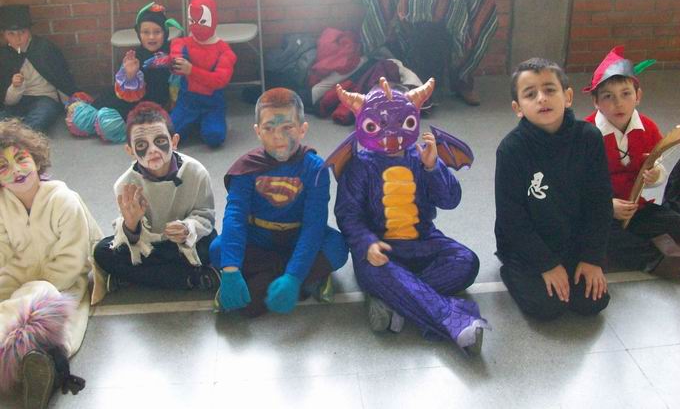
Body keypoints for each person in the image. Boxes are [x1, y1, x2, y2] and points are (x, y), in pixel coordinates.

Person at [333, 77, 487, 353]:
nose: (391, 135)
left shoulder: (422, 157)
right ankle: (453, 321)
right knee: (374, 272)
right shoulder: (359, 166)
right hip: (381, 252)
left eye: (401, 122)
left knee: (467, 262)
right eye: (379, 125)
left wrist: (433, 168)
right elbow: (348, 215)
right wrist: (367, 243)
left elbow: (450, 200)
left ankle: (394, 299)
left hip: (424, 242)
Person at [210, 88, 348, 317]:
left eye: (287, 127)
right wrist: (231, 270)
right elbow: (235, 217)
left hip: (298, 236)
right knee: (217, 250)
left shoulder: (315, 168)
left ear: (302, 129)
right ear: (258, 131)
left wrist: (293, 276)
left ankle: (276, 278)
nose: (278, 137)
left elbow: (313, 227)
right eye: (269, 128)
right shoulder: (246, 168)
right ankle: (309, 279)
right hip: (259, 238)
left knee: (338, 247)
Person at [495, 58, 612, 321]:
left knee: (592, 302)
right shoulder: (511, 150)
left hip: (572, 238)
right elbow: (511, 218)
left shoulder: (589, 138)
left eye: (550, 90)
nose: (542, 98)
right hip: (528, 244)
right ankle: (510, 270)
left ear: (567, 96)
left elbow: (599, 203)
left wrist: (592, 257)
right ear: (518, 108)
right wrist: (546, 264)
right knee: (546, 307)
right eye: (530, 94)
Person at [0, 119, 100, 408]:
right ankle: (30, 364)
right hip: (15, 282)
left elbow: (72, 262)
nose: (16, 170)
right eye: (3, 166)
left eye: (21, 159)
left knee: (45, 307)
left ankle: (38, 364)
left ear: (36, 158)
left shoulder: (63, 200)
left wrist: (31, 286)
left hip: (61, 285)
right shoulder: (3, 205)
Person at [92, 102, 218, 295]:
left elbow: (205, 215)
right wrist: (131, 225)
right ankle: (190, 277)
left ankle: (138, 276)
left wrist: (188, 228)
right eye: (142, 145)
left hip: (183, 245)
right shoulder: (125, 184)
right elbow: (130, 239)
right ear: (130, 150)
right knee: (102, 251)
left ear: (174, 141)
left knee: (213, 245)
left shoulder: (196, 172)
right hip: (150, 246)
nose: (152, 150)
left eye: (159, 141)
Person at [583, 46, 680, 278]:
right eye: (608, 96)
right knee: (603, 240)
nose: (618, 103)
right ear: (596, 102)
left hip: (636, 208)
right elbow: (576, 187)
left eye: (626, 94)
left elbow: (657, 167)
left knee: (675, 222)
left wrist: (655, 176)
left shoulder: (647, 127)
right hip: (598, 213)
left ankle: (653, 242)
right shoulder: (585, 134)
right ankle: (654, 258)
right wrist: (607, 207)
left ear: (638, 96)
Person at [65, 2, 182, 143]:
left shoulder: (171, 55)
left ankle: (111, 123)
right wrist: (130, 75)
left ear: (165, 33)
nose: (151, 37)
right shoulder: (135, 56)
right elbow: (124, 93)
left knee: (109, 124)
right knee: (80, 120)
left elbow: (175, 89)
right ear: (139, 34)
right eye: (146, 32)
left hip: (154, 104)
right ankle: (93, 114)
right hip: (129, 100)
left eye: (157, 32)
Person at [169, 0, 236, 147]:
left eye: (202, 21)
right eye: (192, 21)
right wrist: (174, 62)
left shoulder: (224, 51)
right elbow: (175, 63)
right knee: (169, 135)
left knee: (214, 137)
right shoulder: (181, 44)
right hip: (186, 104)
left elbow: (220, 80)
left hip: (212, 106)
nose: (197, 26)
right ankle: (194, 124)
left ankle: (202, 124)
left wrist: (191, 70)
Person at [0, 5, 79, 134]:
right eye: (11, 34)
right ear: (4, 35)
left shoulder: (44, 49)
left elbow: (62, 78)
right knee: (3, 117)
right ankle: (11, 134)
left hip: (44, 98)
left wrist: (70, 103)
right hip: (18, 101)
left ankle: (23, 136)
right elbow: (7, 100)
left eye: (22, 32)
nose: (17, 38)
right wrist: (15, 87)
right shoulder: (4, 55)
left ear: (29, 32)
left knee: (41, 116)